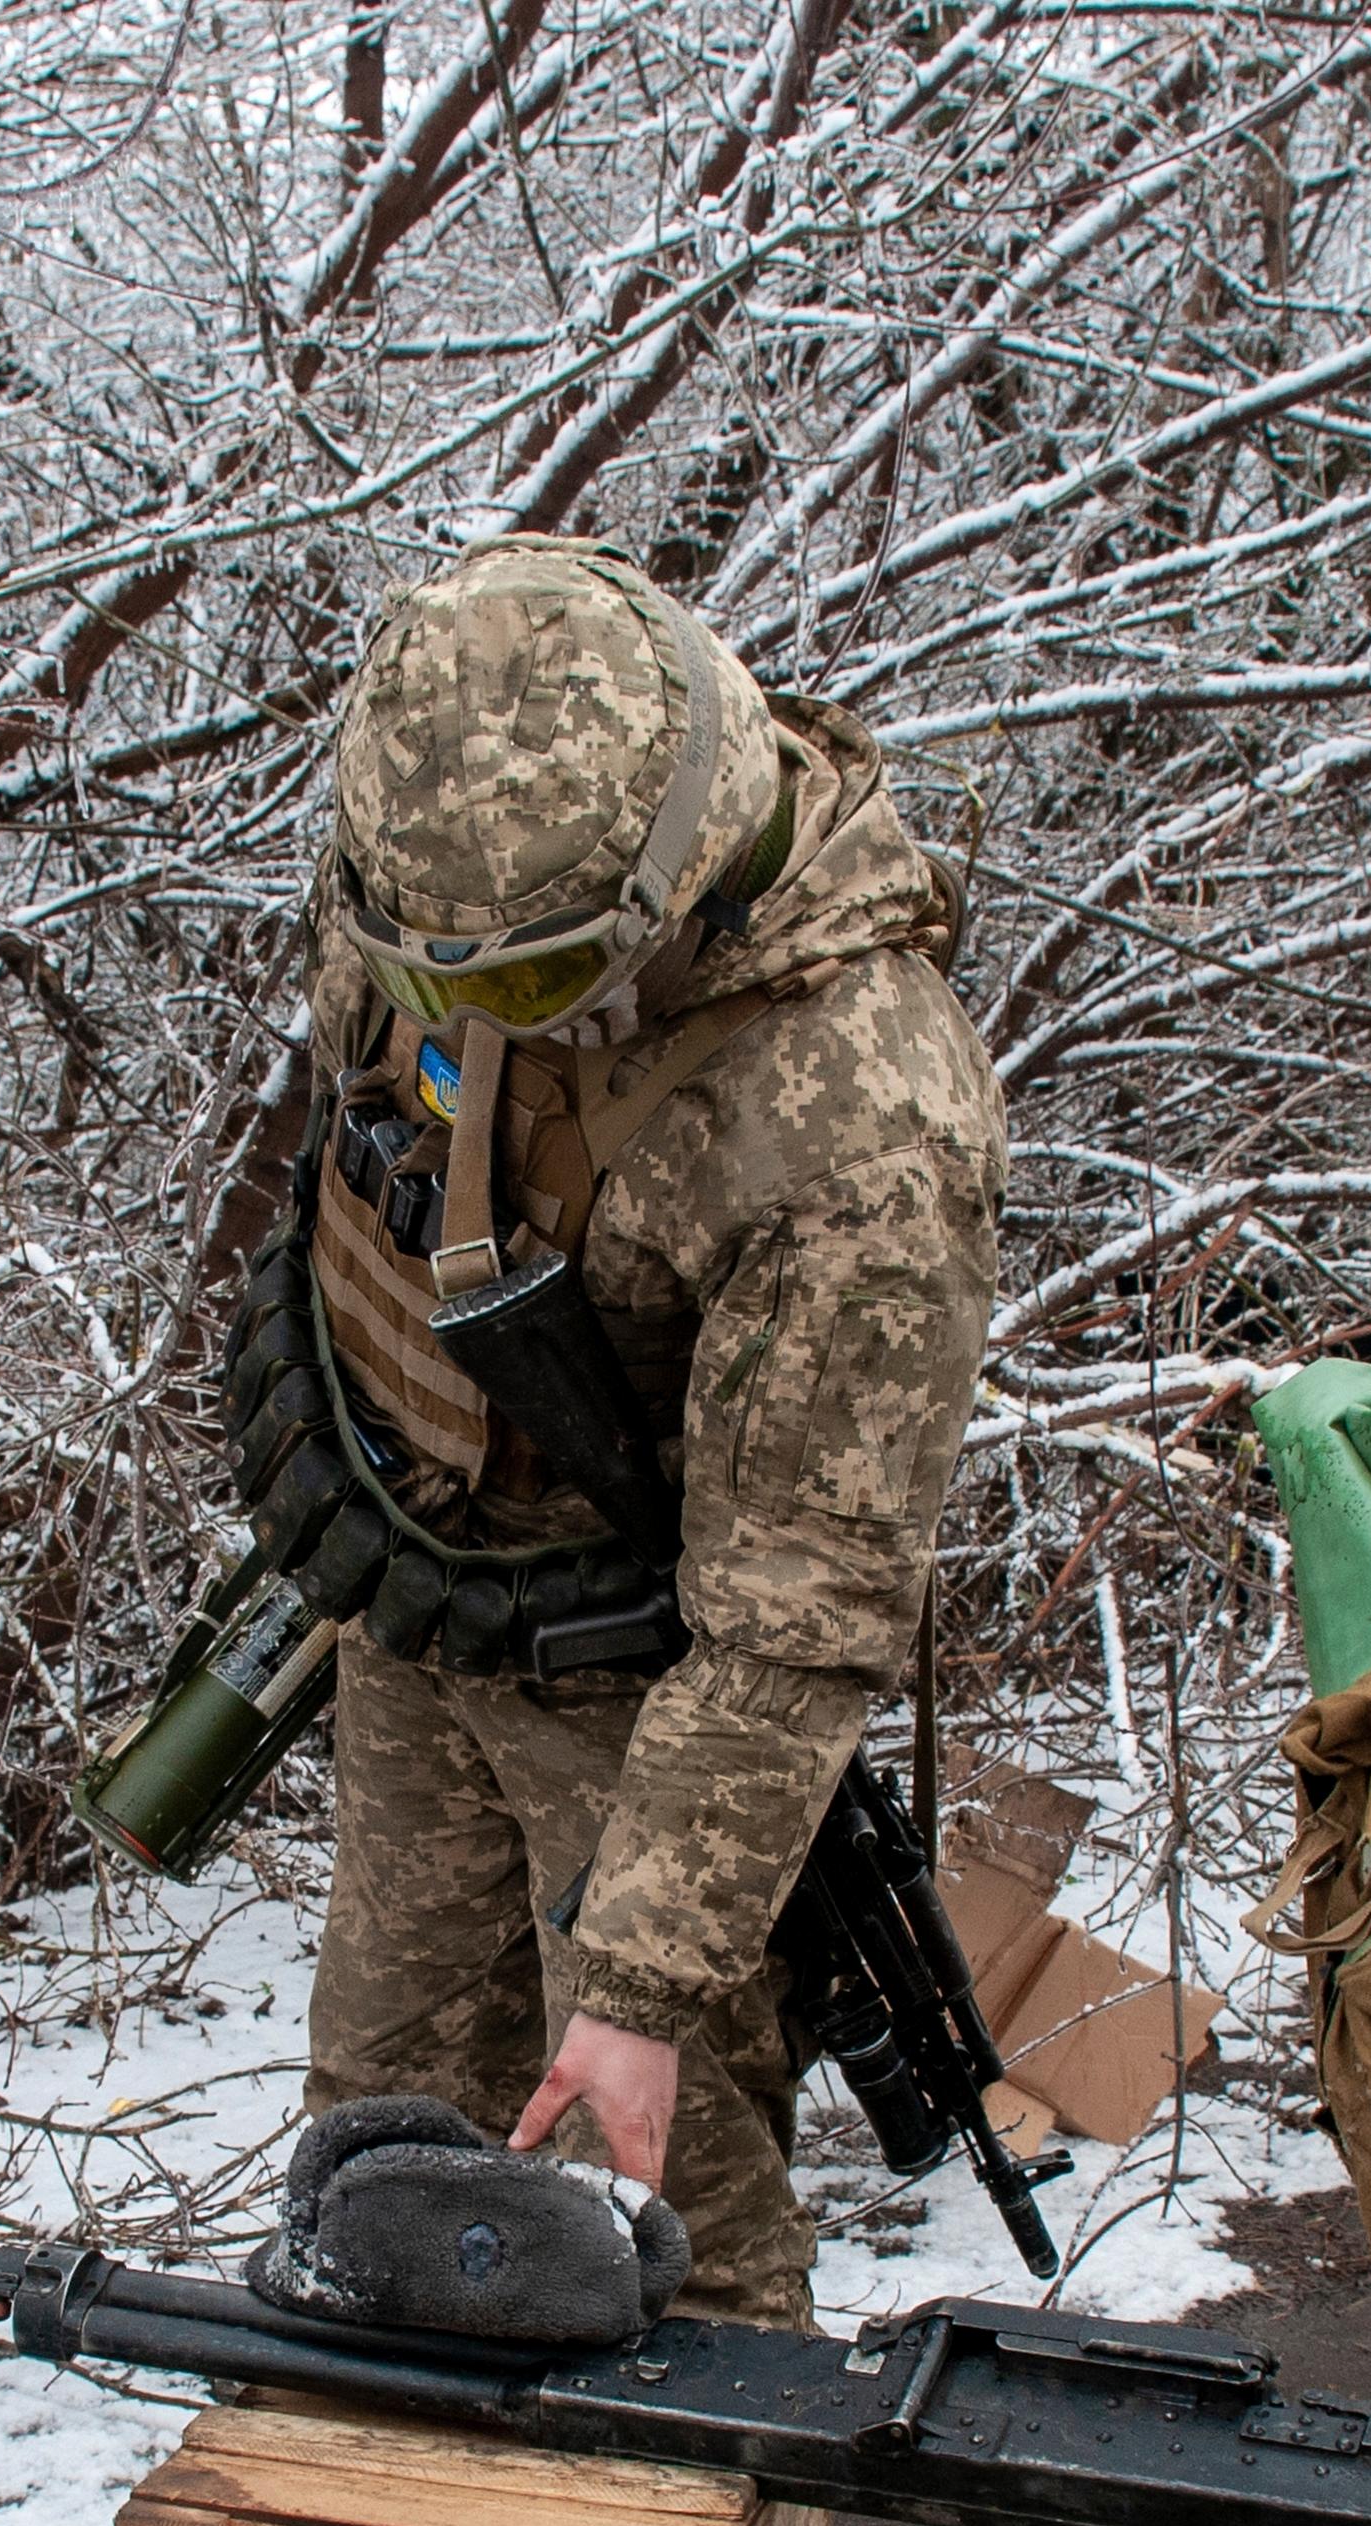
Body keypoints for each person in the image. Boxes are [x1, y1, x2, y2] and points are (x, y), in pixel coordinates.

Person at [213, 537, 1005, 2328]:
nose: (447, 1015)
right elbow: (376, 1137)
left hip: (654, 1707)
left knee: (663, 2210)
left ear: (669, 879)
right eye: (420, 967)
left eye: (512, 990)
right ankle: (394, 2523)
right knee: (384, 2139)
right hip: (423, 1601)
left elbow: (795, 1620)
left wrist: (645, 1979)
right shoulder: (446, 860)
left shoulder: (854, 1127)